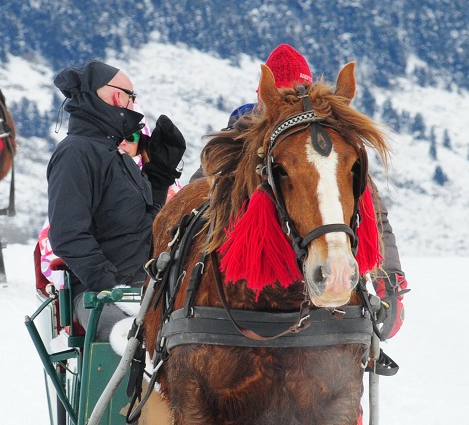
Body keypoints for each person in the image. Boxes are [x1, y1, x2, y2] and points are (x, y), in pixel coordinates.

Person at [194, 43, 408, 339]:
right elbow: (196, 204)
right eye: (286, 97)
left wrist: (389, 283)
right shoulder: (230, 148)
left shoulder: (329, 151)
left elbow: (372, 217)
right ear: (266, 100)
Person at [46, 61, 185, 338]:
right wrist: (109, 286)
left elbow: (143, 226)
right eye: (132, 97)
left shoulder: (114, 155)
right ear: (118, 97)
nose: (134, 104)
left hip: (143, 287)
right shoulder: (76, 153)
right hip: (97, 294)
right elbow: (67, 234)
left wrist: (159, 175)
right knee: (126, 338)